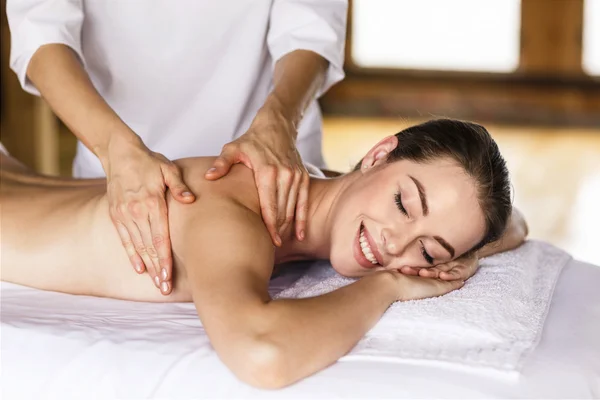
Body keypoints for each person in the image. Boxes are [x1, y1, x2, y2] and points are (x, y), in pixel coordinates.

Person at [0, 119, 528, 389]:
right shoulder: (231, 213)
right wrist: (387, 285)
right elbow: (261, 354)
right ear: (378, 154)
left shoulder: (313, 188)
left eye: (428, 249)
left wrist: (463, 251)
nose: (395, 243)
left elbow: (514, 224)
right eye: (402, 203)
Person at [7, 0, 347, 294]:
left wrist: (280, 120)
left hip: (273, 152)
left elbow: (310, 22)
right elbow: (40, 27)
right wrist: (114, 147)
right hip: (121, 168)